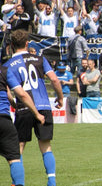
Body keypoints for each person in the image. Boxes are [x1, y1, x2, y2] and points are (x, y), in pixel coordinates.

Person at [4, 29, 63, 186]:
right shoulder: (40, 58)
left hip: (24, 108)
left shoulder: (7, 66)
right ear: (27, 43)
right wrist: (60, 97)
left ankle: (18, 182)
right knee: (45, 145)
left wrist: (13, 104)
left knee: (18, 148)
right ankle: (51, 181)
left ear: (10, 45)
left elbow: (9, 93)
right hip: (43, 106)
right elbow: (55, 80)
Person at [0, 63, 45, 186]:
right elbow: (22, 94)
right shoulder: (4, 71)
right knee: (14, 159)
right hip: (3, 120)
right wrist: (36, 113)